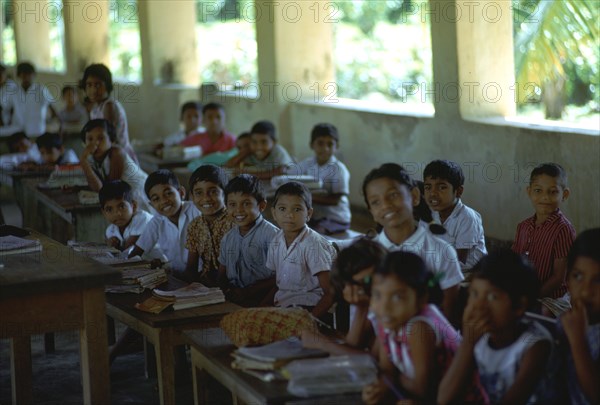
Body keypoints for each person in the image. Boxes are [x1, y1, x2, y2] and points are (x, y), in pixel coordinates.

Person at [363, 251, 484, 404]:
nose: (385, 307)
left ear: (421, 298)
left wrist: (392, 381)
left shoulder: (419, 327)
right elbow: (387, 370)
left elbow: (423, 390)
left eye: (397, 297)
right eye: (377, 295)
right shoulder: (389, 320)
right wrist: (379, 388)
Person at [438, 249, 554, 404]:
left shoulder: (535, 346)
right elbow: (444, 398)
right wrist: (468, 341)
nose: (478, 305)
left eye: (492, 297)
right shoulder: (479, 337)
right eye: (474, 294)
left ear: (519, 305)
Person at [362, 163, 463, 318]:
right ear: (372, 212)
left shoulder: (441, 251)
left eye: (393, 195)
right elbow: (365, 312)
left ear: (415, 196)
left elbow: (448, 315)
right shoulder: (368, 253)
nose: (386, 205)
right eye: (376, 202)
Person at [266, 181, 336, 321]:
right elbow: (278, 283)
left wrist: (308, 322)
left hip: (310, 308)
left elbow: (331, 293)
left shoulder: (313, 245)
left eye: (297, 209)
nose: (289, 215)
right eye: (282, 209)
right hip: (283, 305)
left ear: (309, 213)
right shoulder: (276, 240)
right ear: (274, 213)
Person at [302, 238, 385, 355]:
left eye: (367, 280)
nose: (359, 289)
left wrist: (322, 343)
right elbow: (355, 344)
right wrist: (361, 307)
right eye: (352, 284)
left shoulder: (392, 307)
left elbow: (374, 361)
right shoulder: (366, 303)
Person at [512, 163, 576, 298]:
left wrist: (533, 298)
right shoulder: (523, 226)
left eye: (553, 192)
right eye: (538, 191)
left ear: (564, 194)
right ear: (529, 192)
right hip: (523, 293)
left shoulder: (563, 229)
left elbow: (559, 278)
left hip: (553, 298)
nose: (545, 197)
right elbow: (514, 262)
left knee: (543, 313)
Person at [217, 174, 278, 306]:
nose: (238, 210)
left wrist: (249, 292)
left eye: (246, 203)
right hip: (234, 299)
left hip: (264, 300)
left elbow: (283, 277)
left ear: (261, 206)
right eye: (232, 204)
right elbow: (222, 275)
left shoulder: (272, 236)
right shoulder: (228, 238)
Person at [557, 228, 600, 405]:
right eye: (578, 276)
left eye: (598, 281)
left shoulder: (577, 329)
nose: (585, 291)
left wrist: (578, 341)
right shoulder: (567, 319)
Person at [129, 169, 200, 273]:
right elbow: (136, 253)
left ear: (181, 193)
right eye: (156, 199)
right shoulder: (156, 222)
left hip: (202, 275)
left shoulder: (196, 211)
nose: (164, 201)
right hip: (177, 275)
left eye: (168, 193)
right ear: (151, 205)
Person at [423, 159, 486, 272]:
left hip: (469, 274)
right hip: (440, 269)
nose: (432, 193)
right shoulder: (428, 215)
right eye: (428, 187)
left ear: (458, 191)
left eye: (441, 187)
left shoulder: (467, 217)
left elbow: (459, 259)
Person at [290, 123, 351, 235]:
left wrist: (306, 197)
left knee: (315, 234)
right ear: (312, 145)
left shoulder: (338, 169)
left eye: (330, 144)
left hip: (336, 218)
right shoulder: (308, 163)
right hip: (315, 215)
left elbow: (335, 200)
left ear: (336, 146)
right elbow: (290, 176)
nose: (325, 148)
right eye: (320, 143)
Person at [79, 119, 148, 212]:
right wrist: (85, 162)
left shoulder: (117, 153)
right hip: (125, 200)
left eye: (101, 138)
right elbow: (97, 186)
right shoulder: (93, 159)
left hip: (141, 197)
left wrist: (83, 161)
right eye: (90, 139)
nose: (95, 143)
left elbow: (107, 191)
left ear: (112, 140)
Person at [180, 164, 234, 283]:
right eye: (199, 193)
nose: (206, 198)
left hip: (234, 284)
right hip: (206, 283)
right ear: (192, 197)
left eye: (213, 191)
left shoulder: (234, 223)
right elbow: (191, 268)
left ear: (225, 194)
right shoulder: (194, 226)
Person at [82, 63, 137, 161]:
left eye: (98, 85)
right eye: (89, 85)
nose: (93, 90)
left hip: (117, 157)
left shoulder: (109, 106)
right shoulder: (96, 107)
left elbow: (108, 139)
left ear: (107, 85)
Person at [99, 180, 163, 260]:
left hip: (160, 265)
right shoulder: (110, 230)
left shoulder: (143, 218)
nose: (117, 214)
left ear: (134, 206)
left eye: (122, 206)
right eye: (109, 209)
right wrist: (111, 244)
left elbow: (131, 245)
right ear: (103, 213)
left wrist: (113, 247)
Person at [0, 62, 57, 137]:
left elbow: (52, 109)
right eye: (23, 74)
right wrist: (6, 122)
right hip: (18, 131)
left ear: (34, 75)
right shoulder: (14, 91)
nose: (26, 77)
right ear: (19, 75)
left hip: (37, 130)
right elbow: (6, 108)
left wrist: (48, 122)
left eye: (29, 74)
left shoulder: (41, 90)